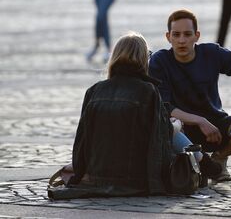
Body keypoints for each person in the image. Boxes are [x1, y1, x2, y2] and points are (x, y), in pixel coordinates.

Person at [69, 32, 220, 198]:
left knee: (167, 124)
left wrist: (80, 172)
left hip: (96, 176)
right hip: (135, 179)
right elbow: (160, 137)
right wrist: (176, 126)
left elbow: (81, 140)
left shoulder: (94, 90)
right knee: (172, 128)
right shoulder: (147, 91)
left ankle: (207, 164)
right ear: (143, 59)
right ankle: (207, 164)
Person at [149, 9, 231, 182]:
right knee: (169, 127)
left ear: (196, 36)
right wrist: (200, 121)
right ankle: (200, 164)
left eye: (187, 34)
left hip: (217, 125)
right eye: (176, 34)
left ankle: (219, 158)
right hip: (181, 130)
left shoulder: (212, 53)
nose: (181, 40)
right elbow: (164, 106)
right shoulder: (160, 61)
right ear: (168, 37)